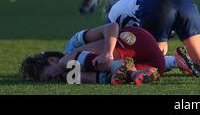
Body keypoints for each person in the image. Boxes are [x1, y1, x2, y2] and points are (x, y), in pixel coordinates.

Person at [76, 0, 200, 77]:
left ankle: (176, 61)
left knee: (153, 62)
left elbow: (121, 46)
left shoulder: (112, 15)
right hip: (184, 0)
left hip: (158, 6)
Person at [20, 22, 164, 85]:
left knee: (68, 61)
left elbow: (112, 27)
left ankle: (117, 66)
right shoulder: (71, 76)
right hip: (155, 64)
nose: (54, 80)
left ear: (51, 60)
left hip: (134, 39)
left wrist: (108, 53)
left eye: (50, 77)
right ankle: (174, 62)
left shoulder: (72, 45)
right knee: (74, 76)